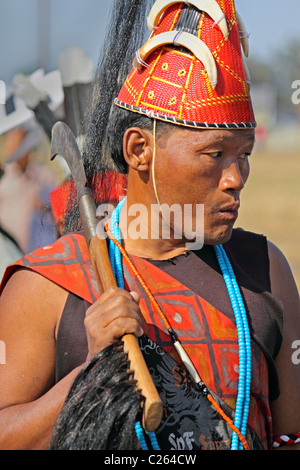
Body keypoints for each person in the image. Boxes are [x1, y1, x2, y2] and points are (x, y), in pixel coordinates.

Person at [0, 0, 299, 451]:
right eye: (215, 155)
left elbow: (289, 438)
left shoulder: (265, 271)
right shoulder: (47, 285)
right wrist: (92, 376)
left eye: (244, 156)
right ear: (139, 150)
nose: (236, 179)